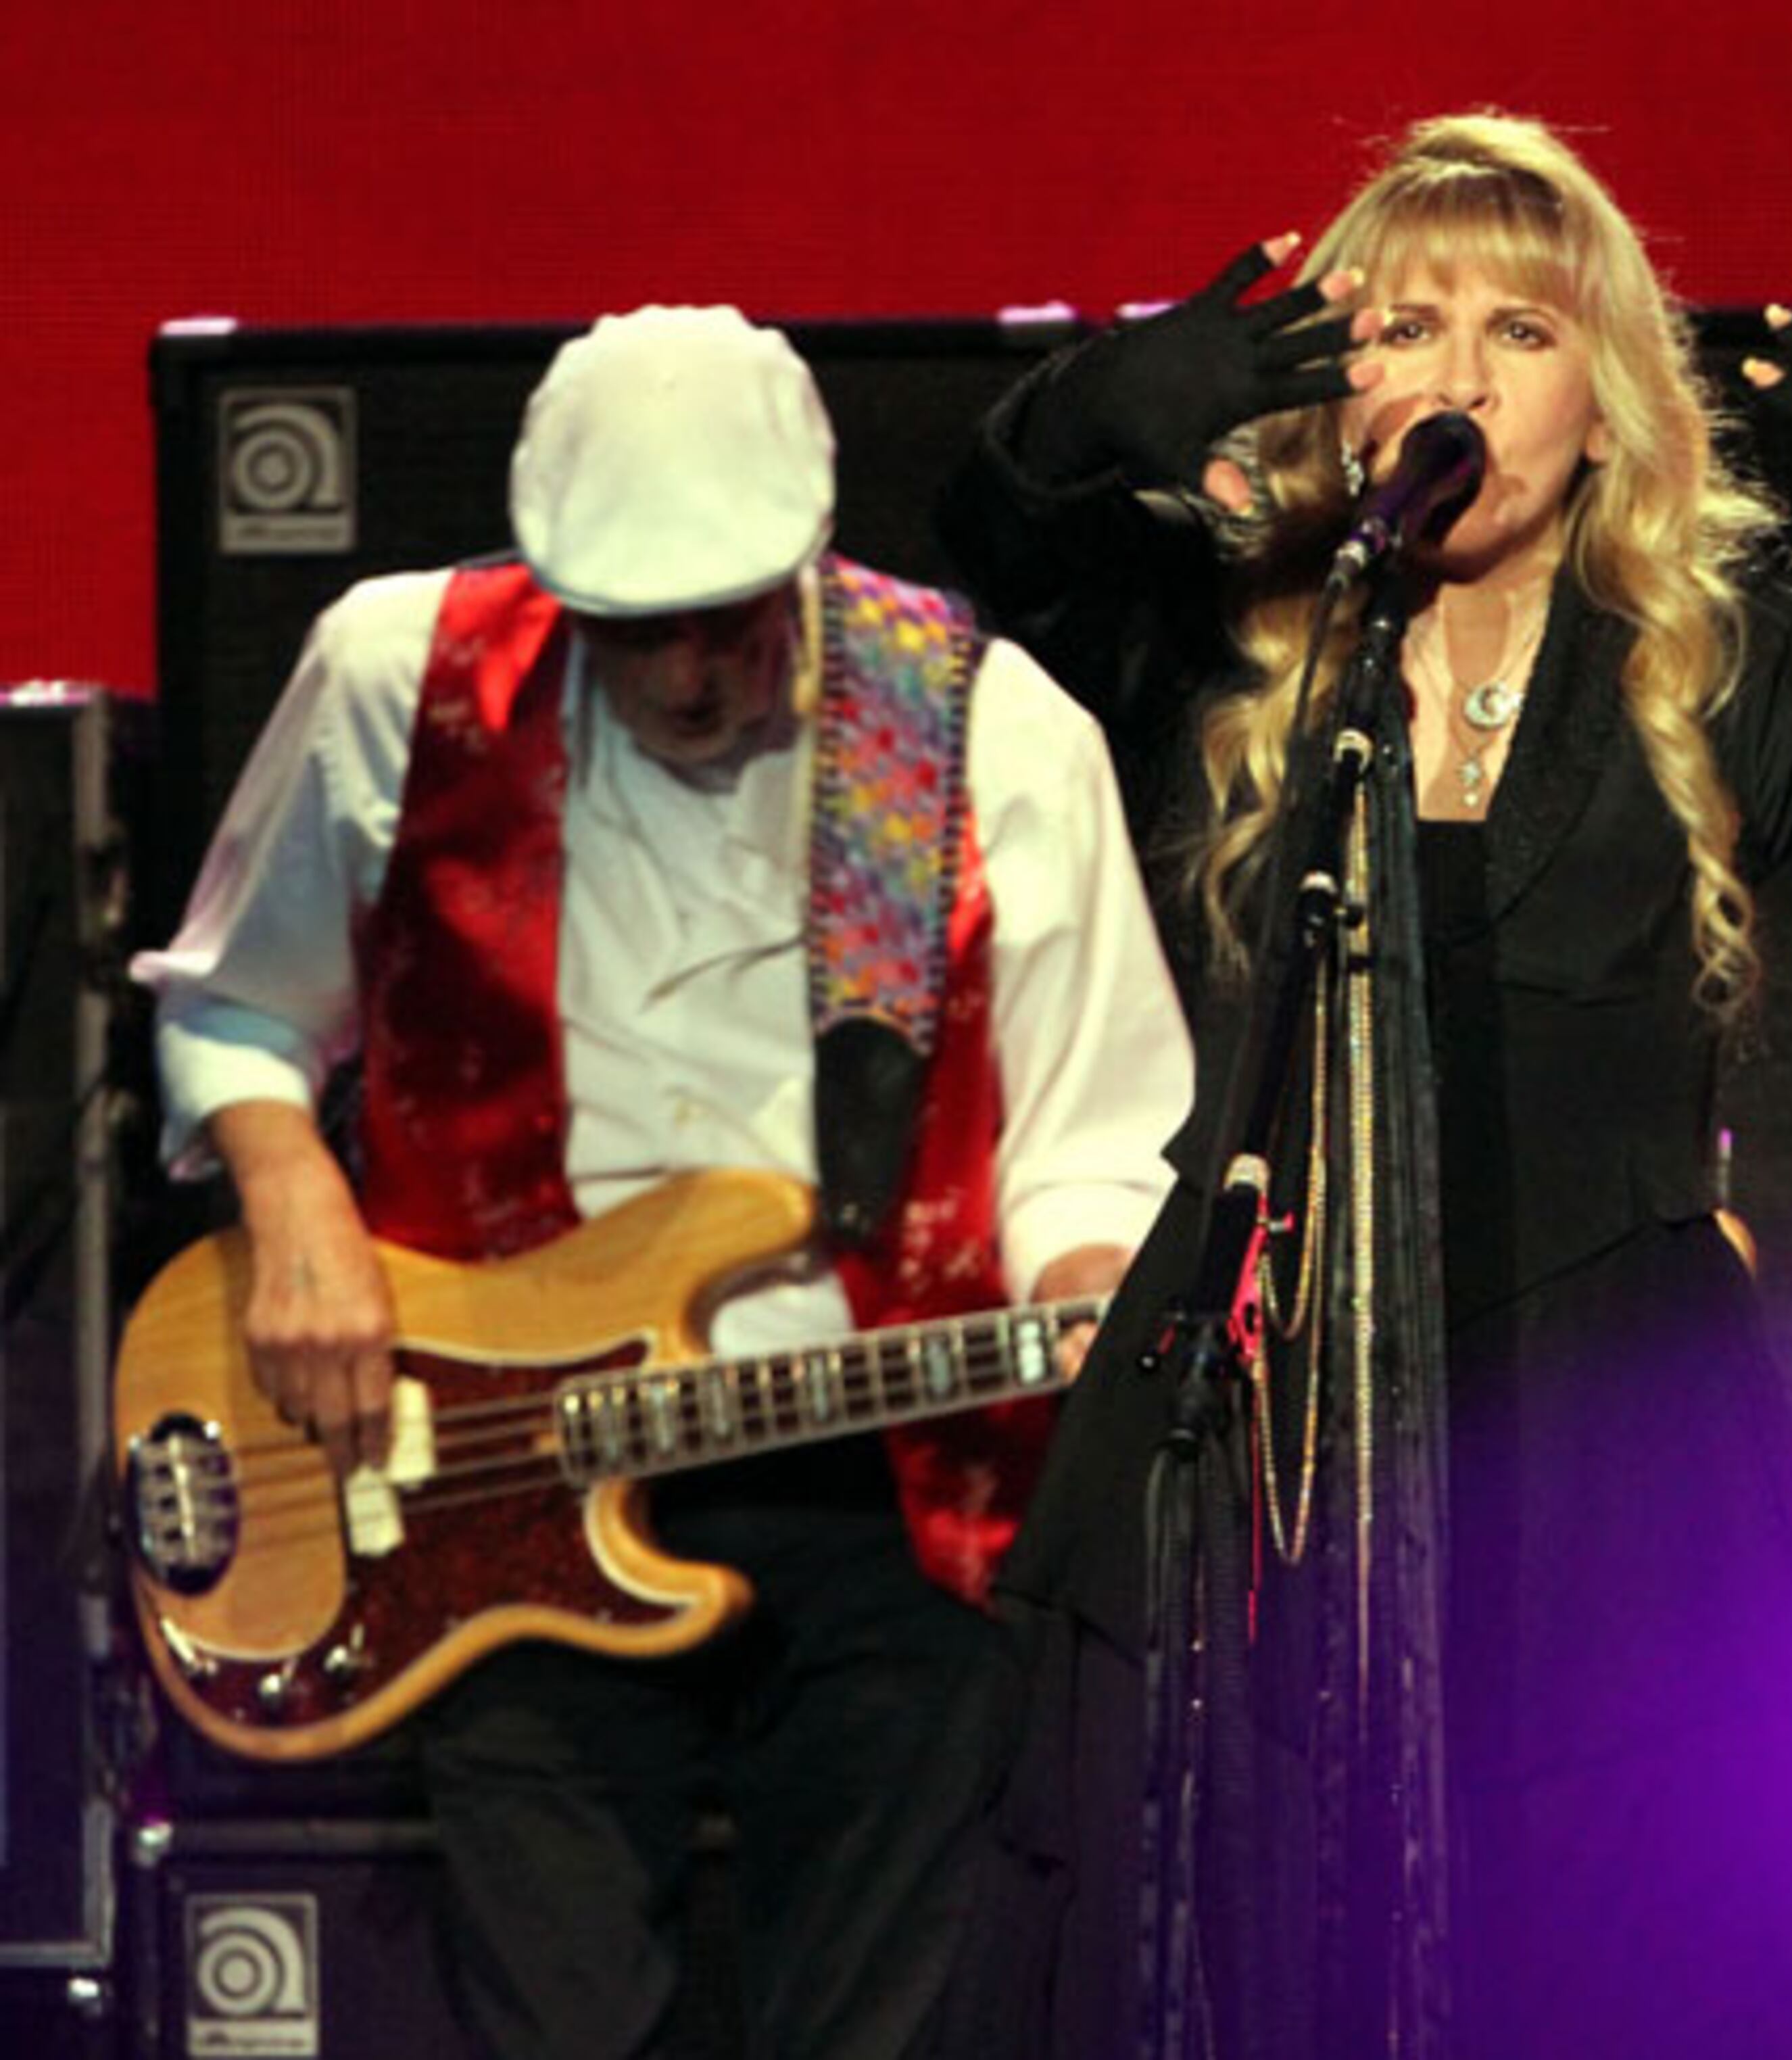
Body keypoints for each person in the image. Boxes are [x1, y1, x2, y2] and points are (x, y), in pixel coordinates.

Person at [925, 113, 1792, 2059]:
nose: (1455, 381)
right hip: (1263, 1417)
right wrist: (1089, 413)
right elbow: (996, 549)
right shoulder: (1231, 634)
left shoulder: (1724, 657)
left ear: (1604, 403)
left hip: (1608, 1453)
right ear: (1339, 387)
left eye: (1521, 334)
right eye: (1406, 328)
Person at [130, 305, 1194, 2060]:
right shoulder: (398, 679)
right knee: (559, 2022)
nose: (692, 675)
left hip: (888, 1482)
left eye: (731, 621)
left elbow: (1096, 1130)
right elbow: (241, 1002)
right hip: (489, 1479)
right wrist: (290, 1201)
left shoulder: (986, 730)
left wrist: (1090, 1281)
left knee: (883, 2018)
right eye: (640, 633)